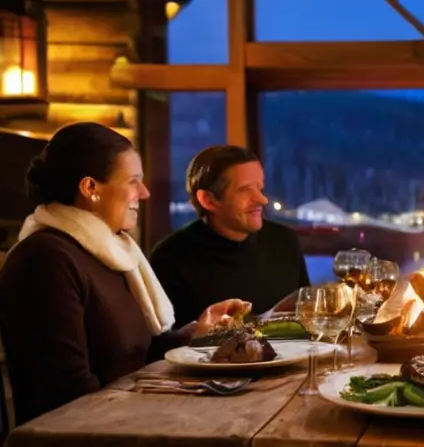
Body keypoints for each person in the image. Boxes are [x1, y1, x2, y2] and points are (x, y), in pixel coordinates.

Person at [0, 122, 249, 426]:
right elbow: (65, 395)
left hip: (127, 419)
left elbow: (133, 356)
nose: (144, 193)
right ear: (90, 188)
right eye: (133, 181)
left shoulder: (110, 251)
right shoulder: (44, 260)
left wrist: (196, 333)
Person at [149, 145, 310, 328]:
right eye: (245, 190)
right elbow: (162, 344)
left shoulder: (284, 240)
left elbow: (308, 318)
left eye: (260, 187)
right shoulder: (169, 258)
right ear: (208, 200)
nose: (262, 199)